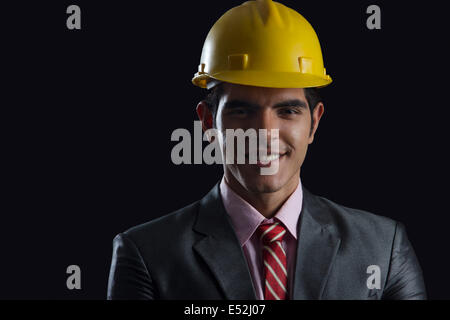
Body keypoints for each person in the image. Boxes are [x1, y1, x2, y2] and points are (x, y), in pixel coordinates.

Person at [107, 0, 426, 300]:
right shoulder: (147, 254)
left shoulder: (383, 248)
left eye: (287, 111)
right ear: (207, 123)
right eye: (242, 111)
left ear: (314, 124)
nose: (265, 133)